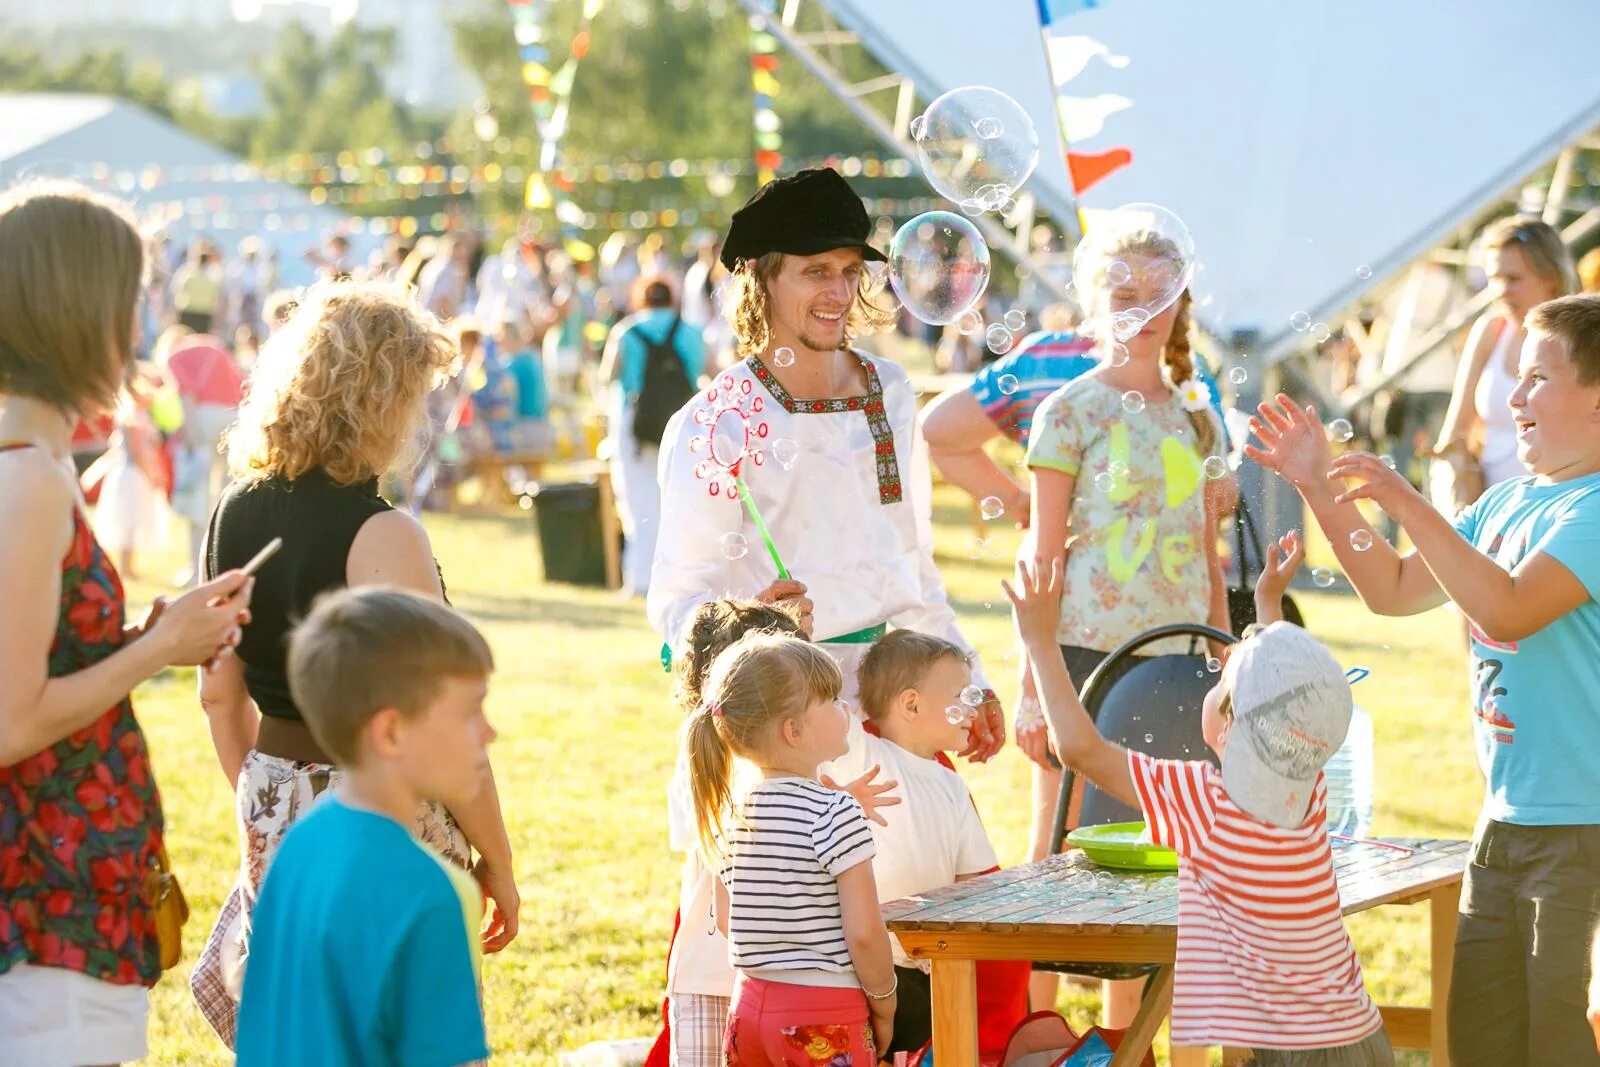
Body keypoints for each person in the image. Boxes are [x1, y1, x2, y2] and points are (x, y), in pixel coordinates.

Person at [1247, 293, 1600, 1066]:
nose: (1513, 397)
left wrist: (1407, 498)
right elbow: (1395, 586)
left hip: (1580, 827)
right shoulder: (1506, 502)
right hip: (1503, 821)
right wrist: (1316, 484)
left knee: (1558, 1041)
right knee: (1479, 1035)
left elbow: (1506, 608)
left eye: (1538, 377)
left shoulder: (1596, 511)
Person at [189, 281, 520, 1047]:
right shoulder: (385, 533)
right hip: (382, 803)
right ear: (380, 398)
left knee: (306, 1031)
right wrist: (498, 860)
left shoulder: (232, 509)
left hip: (270, 787)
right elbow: (443, 718)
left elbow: (217, 696)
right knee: (400, 1032)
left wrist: (264, 801)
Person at [0, 178, 253, 1067]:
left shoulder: (38, 463)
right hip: (46, 907)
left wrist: (146, 634)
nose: (140, 324)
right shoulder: (28, 477)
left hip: (63, 896)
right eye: (129, 298)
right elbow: (10, 718)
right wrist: (156, 648)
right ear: (77, 312)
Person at [649, 167, 1004, 758]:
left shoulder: (888, 390)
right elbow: (678, 603)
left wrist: (970, 680)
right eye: (815, 271)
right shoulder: (716, 421)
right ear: (763, 279)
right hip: (781, 725)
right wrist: (751, 621)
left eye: (848, 271)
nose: (838, 293)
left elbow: (911, 565)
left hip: (897, 710)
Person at [1005, 540, 1394, 1065]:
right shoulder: (1307, 789)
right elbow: (1285, 708)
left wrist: (1040, 641)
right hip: (1359, 1036)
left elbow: (1080, 750)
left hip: (1287, 1053)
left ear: (1230, 724)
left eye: (1224, 679)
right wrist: (1268, 606)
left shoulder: (1207, 804)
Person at [1022, 228, 1230, 1019]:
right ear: (1092, 304)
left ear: (1181, 306)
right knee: (1057, 837)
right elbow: (1038, 558)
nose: (1142, 309)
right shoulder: (1069, 411)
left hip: (1174, 659)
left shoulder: (1200, 424)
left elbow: (1208, 559)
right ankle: (1033, 1025)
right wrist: (1033, 687)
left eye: (1158, 293)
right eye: (1122, 293)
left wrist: (1222, 656)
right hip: (1080, 649)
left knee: (1148, 847)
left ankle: (1122, 1036)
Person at [234, 587, 495, 1066]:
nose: (490, 732)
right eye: (470, 712)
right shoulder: (435, 891)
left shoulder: (298, 848)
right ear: (391, 732)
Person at [658, 598, 898, 1067]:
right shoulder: (837, 812)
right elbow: (866, 933)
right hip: (823, 1015)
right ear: (794, 731)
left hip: (747, 1009)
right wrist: (885, 1002)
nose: (844, 706)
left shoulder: (729, 812)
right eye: (830, 700)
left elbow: (728, 922)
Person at [822, 629, 1020, 1059]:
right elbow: (817, 699)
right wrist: (793, 632)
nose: (974, 709)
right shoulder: (864, 753)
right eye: (962, 697)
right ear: (910, 704)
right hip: (861, 969)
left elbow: (975, 887)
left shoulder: (951, 785)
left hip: (929, 972)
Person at [1431, 217, 1577, 515]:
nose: (1500, 291)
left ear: (1549, 276)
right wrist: (1459, 511)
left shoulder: (1581, 338)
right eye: (1494, 278)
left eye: (1513, 279)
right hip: (1490, 512)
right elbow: (1456, 432)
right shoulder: (1491, 330)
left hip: (1559, 511)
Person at [602, 275, 707, 597]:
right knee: (678, 499)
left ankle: (640, 579)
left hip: (636, 423)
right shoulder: (689, 331)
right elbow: (707, 370)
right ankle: (680, 578)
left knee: (637, 500)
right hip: (683, 422)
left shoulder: (627, 331)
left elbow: (608, 376)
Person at [159, 325, 246, 582]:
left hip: (203, 420)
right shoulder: (214, 345)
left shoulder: (174, 355)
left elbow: (186, 394)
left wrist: (190, 433)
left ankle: (197, 570)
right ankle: (228, 563)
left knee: (198, 499)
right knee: (227, 495)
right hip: (233, 416)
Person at [170, 242, 223, 334]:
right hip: (204, 313)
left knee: (186, 339)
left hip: (188, 311)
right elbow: (216, 299)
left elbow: (177, 291)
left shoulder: (187, 273)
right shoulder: (212, 277)